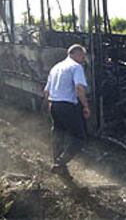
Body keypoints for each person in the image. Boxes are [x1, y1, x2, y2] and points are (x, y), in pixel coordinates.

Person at [43, 44, 90, 180]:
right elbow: (79, 88)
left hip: (54, 104)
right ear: (74, 54)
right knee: (79, 138)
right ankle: (60, 163)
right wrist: (85, 106)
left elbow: (46, 91)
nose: (83, 59)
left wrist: (47, 105)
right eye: (82, 56)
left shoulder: (56, 67)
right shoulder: (76, 67)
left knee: (58, 134)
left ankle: (60, 167)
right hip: (67, 105)